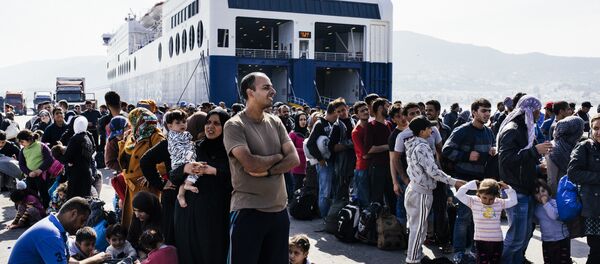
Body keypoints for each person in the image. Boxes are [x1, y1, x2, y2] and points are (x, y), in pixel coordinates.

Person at [224, 72, 300, 264]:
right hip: (249, 212)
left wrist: (267, 170)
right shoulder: (234, 125)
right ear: (250, 92)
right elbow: (250, 163)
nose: (273, 91)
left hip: (280, 212)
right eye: (266, 87)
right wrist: (277, 156)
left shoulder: (275, 122)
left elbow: (294, 159)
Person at [170, 108, 232, 263]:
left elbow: (237, 179)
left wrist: (214, 171)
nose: (210, 126)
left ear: (225, 126)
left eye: (217, 123)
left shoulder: (231, 150)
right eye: (208, 122)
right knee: (189, 253)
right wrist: (185, 168)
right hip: (187, 213)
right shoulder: (194, 147)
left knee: (212, 253)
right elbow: (174, 175)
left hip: (215, 215)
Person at [496, 95, 553, 264]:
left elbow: (521, 162)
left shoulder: (526, 128)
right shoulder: (513, 129)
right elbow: (506, 160)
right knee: (515, 237)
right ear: (529, 110)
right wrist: (535, 151)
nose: (539, 114)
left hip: (526, 188)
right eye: (537, 110)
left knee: (525, 234)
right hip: (515, 190)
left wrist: (537, 167)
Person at [403, 116, 466, 264]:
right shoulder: (422, 146)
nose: (432, 130)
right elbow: (433, 171)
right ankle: (413, 259)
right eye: (429, 128)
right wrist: (453, 181)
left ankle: (415, 255)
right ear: (422, 130)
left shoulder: (411, 143)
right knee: (418, 228)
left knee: (415, 226)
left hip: (414, 189)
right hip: (421, 192)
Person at [442, 98, 496, 262]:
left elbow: (488, 152)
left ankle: (473, 250)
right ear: (474, 112)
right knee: (464, 217)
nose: (487, 114)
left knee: (478, 218)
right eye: (483, 110)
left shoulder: (489, 132)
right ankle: (459, 252)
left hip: (482, 182)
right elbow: (446, 150)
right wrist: (466, 156)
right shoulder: (462, 130)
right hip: (465, 180)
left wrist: (492, 152)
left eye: (488, 110)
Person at [8, 197, 110, 264]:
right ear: (73, 214)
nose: (82, 226)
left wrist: (92, 260)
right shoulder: (51, 234)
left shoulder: (55, 226)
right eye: (82, 221)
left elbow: (65, 259)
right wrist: (94, 260)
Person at [118, 107, 165, 229]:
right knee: (133, 222)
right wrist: (123, 142)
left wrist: (151, 175)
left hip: (146, 186)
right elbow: (124, 161)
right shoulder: (133, 135)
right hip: (131, 185)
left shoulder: (156, 136)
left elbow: (164, 161)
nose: (130, 124)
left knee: (145, 222)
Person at [455, 179, 517, 264]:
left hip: (497, 242)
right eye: (484, 197)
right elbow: (459, 194)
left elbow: (514, 201)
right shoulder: (473, 201)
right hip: (480, 242)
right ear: (479, 193)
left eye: (491, 199)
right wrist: (473, 184)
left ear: (496, 196)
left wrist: (508, 189)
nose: (487, 201)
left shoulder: (499, 202)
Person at [567, 113, 600, 263]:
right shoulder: (584, 147)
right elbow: (573, 173)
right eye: (596, 128)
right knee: (596, 250)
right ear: (591, 130)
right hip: (593, 208)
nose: (599, 132)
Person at [306, 102, 338, 217]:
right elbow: (310, 144)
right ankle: (325, 218)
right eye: (338, 111)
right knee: (325, 192)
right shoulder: (320, 124)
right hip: (324, 163)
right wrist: (320, 159)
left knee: (332, 191)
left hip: (333, 162)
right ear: (334, 112)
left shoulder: (333, 124)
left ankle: (330, 217)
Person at [365, 98, 395, 212]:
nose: (389, 109)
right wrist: (388, 146)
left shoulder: (389, 124)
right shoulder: (371, 126)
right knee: (377, 199)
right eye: (387, 106)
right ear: (380, 108)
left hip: (390, 167)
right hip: (378, 167)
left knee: (392, 198)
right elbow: (369, 149)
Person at [163, 110, 199, 207]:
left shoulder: (184, 134)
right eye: (178, 123)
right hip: (180, 161)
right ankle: (185, 188)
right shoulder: (173, 136)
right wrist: (189, 155)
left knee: (189, 176)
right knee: (196, 170)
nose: (182, 124)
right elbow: (178, 149)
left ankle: (181, 194)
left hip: (186, 159)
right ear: (170, 126)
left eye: (184, 121)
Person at [533, 180, 571, 264]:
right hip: (547, 240)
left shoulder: (554, 202)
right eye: (537, 193)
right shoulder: (536, 208)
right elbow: (535, 220)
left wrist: (545, 203)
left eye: (543, 191)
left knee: (563, 261)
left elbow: (554, 215)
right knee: (549, 261)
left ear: (548, 191)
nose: (541, 194)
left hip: (561, 239)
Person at [546, 116, 584, 193]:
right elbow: (552, 181)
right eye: (581, 129)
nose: (583, 131)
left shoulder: (577, 146)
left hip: (565, 194)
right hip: (563, 196)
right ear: (575, 131)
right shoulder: (554, 149)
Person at [17, 129, 53, 209]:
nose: (20, 144)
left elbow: (49, 159)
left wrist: (40, 170)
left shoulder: (41, 146)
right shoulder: (23, 150)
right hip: (30, 176)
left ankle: (46, 210)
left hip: (42, 176)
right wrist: (29, 172)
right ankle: (36, 211)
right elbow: (21, 164)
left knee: (44, 195)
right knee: (32, 196)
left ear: (29, 139)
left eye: (22, 141)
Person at [64, 116, 94, 199]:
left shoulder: (75, 139)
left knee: (74, 201)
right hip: (87, 172)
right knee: (85, 200)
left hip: (76, 174)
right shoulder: (88, 137)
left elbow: (67, 157)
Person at [351, 101, 371, 208]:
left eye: (366, 109)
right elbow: (364, 155)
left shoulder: (371, 126)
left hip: (372, 166)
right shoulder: (356, 132)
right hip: (362, 168)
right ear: (357, 115)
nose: (365, 112)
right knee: (365, 200)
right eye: (362, 111)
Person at [289, 111, 309, 191]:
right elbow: (290, 149)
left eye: (304, 119)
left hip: (307, 167)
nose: (303, 121)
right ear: (297, 120)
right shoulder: (293, 134)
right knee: (296, 190)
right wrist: (304, 149)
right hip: (296, 167)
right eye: (301, 119)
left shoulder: (308, 133)